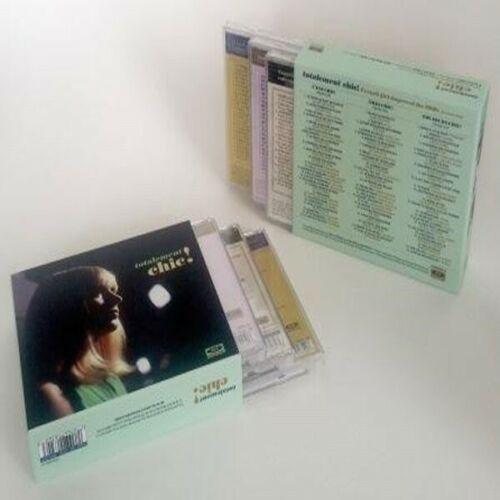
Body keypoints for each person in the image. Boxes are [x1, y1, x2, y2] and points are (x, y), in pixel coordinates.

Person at [23, 266, 133, 427]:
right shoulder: (50, 394)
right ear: (65, 305)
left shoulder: (110, 379)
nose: (117, 299)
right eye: (97, 292)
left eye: (113, 290)